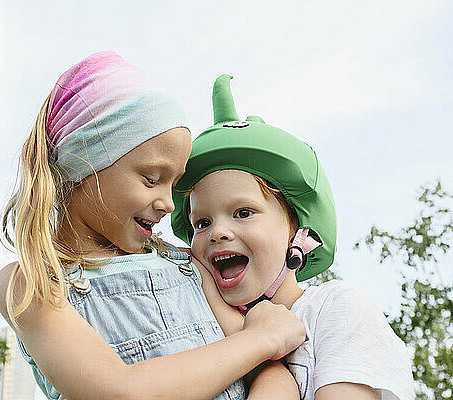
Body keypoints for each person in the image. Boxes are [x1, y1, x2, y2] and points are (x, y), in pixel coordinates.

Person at [0, 52, 306, 400]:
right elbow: (117, 391)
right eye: (151, 178)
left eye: (173, 185)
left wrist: (263, 352)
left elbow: (270, 370)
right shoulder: (34, 281)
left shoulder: (187, 268)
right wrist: (260, 338)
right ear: (82, 166)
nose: (169, 204)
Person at [171, 74, 415, 400]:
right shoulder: (196, 327)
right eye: (201, 222)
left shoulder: (336, 308)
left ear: (297, 234)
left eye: (243, 212)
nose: (217, 233)